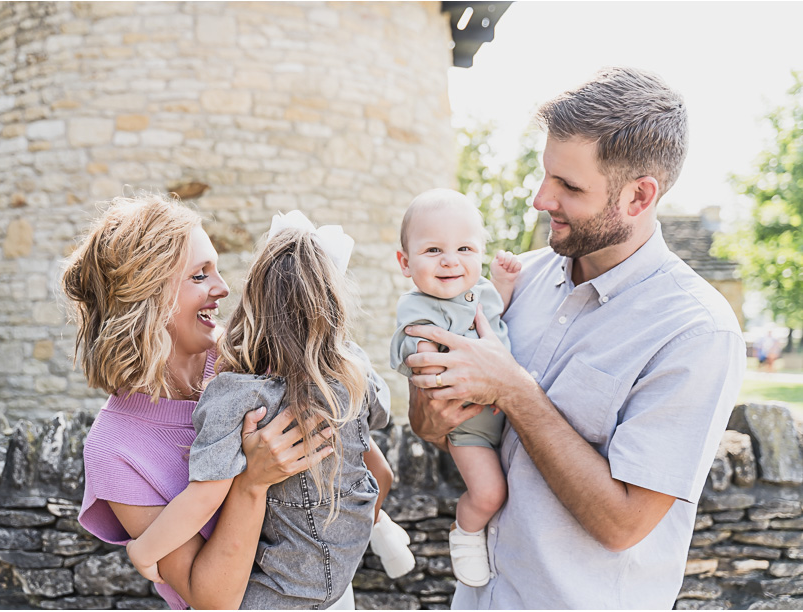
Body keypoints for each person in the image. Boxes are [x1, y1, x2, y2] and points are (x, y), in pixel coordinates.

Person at [404, 67, 746, 609]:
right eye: (546, 175)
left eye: (569, 185)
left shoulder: (696, 331)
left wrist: (513, 389)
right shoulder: (521, 279)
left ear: (639, 197)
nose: (541, 199)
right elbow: (427, 426)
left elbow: (623, 523)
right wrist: (432, 401)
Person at [64, 195, 346, 610]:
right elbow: (213, 601)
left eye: (215, 269)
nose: (224, 288)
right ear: (146, 295)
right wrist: (251, 484)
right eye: (199, 276)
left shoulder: (249, 356)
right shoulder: (114, 449)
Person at [123, 209, 401, 609]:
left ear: (253, 303)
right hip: (345, 561)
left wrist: (144, 551)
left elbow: (206, 494)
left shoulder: (237, 395)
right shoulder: (353, 369)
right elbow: (379, 422)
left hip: (283, 582)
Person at [389, 188, 520, 587]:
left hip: (506, 417)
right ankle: (465, 533)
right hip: (470, 426)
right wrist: (429, 355)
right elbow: (414, 350)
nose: (450, 260)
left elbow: (498, 316)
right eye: (433, 251)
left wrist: (503, 283)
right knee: (489, 493)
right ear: (405, 263)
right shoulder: (418, 306)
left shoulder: (480, 293)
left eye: (464, 248)